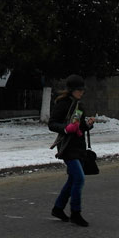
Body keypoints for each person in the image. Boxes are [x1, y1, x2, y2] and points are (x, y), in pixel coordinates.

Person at [48, 74, 95, 227]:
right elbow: (52, 124)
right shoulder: (63, 103)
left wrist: (87, 124)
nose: (82, 93)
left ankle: (58, 208)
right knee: (79, 179)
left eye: (83, 90)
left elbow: (79, 126)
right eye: (79, 90)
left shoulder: (79, 105)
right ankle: (76, 213)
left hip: (79, 147)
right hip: (68, 147)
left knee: (73, 179)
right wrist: (66, 129)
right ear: (72, 90)